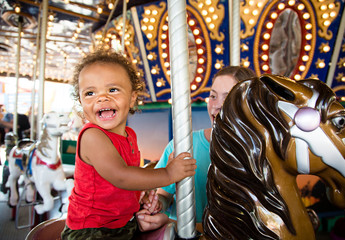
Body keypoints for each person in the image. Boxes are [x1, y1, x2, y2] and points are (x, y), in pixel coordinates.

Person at [61, 49, 197, 240]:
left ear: (133, 97)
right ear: (81, 102)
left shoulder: (129, 135)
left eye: (113, 90)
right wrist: (167, 174)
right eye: (90, 93)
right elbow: (121, 177)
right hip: (91, 230)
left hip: (123, 222)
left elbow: (127, 183)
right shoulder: (92, 136)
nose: (102, 98)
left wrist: (143, 198)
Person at [137, 66, 256, 233]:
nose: (217, 106)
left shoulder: (256, 153)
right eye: (213, 96)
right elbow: (164, 195)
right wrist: (157, 205)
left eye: (227, 97)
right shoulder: (183, 146)